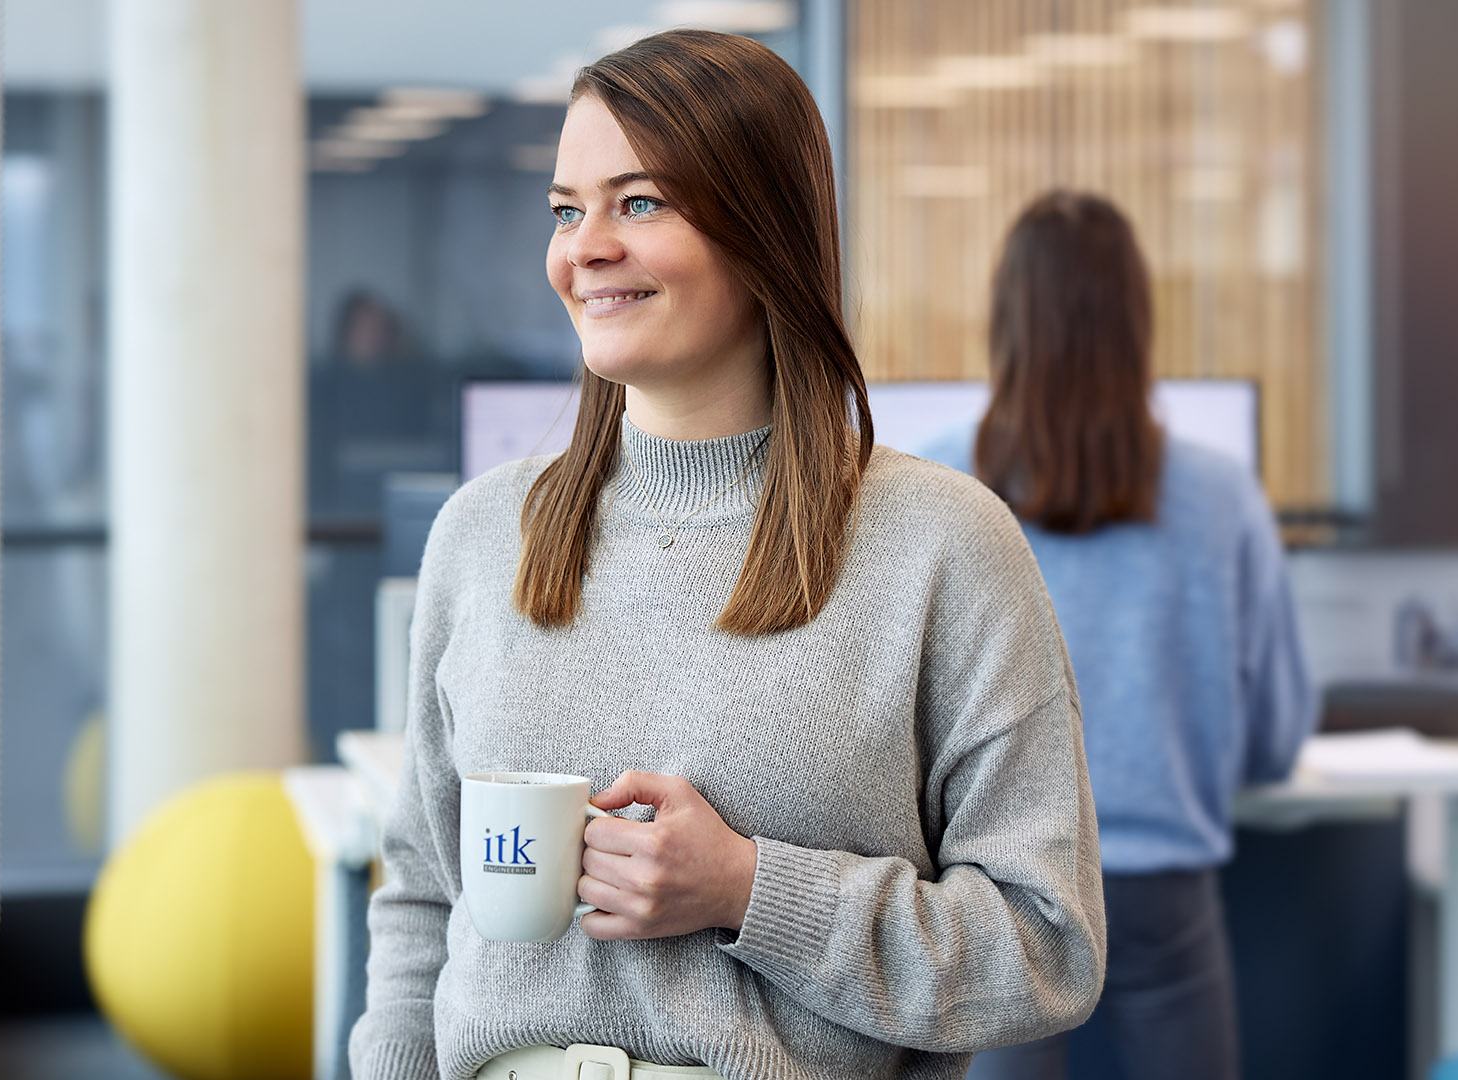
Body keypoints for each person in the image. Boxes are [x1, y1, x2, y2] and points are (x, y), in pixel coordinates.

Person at [348, 31, 1107, 1080]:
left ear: (763, 234)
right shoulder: (483, 536)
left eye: (641, 202)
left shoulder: (943, 547)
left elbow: (1045, 951)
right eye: (568, 209)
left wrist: (752, 890)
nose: (586, 247)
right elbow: (424, 897)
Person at [921, 191, 1316, 1080]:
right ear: (1139, 324)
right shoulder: (1222, 497)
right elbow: (1277, 735)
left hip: (999, 897)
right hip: (1163, 891)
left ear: (1006, 321)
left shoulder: (937, 486)